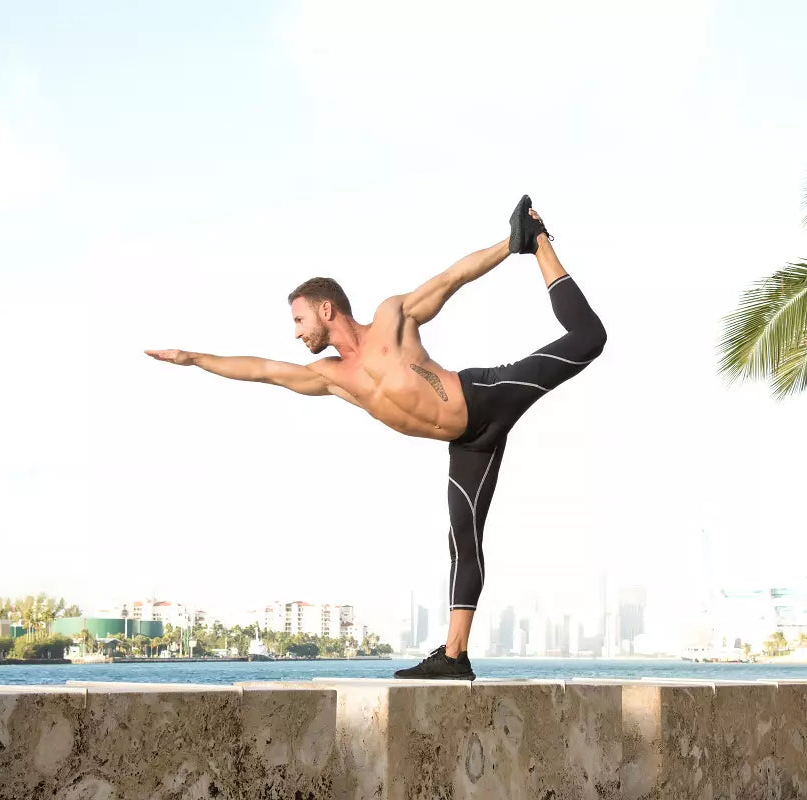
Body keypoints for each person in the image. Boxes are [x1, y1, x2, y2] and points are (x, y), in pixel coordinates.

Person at [145, 196, 607, 680]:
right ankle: (455, 656)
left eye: (299, 320)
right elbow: (264, 371)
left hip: (484, 396)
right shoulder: (332, 375)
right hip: (470, 444)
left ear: (327, 309)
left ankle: (537, 243)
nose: (296, 334)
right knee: (462, 541)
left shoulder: (392, 318)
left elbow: (452, 279)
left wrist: (510, 242)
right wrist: (194, 358)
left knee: (588, 338)